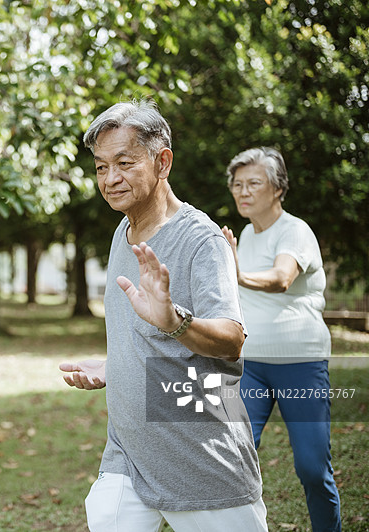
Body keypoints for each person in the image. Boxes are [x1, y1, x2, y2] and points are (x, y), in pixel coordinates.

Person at [59, 100, 268, 532]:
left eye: (124, 163)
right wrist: (113, 366)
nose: (110, 179)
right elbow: (141, 338)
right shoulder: (124, 230)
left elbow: (232, 340)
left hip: (200, 453)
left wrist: (176, 322)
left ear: (162, 161)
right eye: (100, 167)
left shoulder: (201, 239)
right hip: (129, 453)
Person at [222, 147, 341, 532]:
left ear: (278, 189)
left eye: (253, 183)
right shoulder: (245, 234)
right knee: (235, 458)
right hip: (251, 366)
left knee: (310, 467)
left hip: (300, 365)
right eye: (237, 184)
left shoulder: (295, 230)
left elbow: (281, 278)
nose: (243, 191)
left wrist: (238, 273)